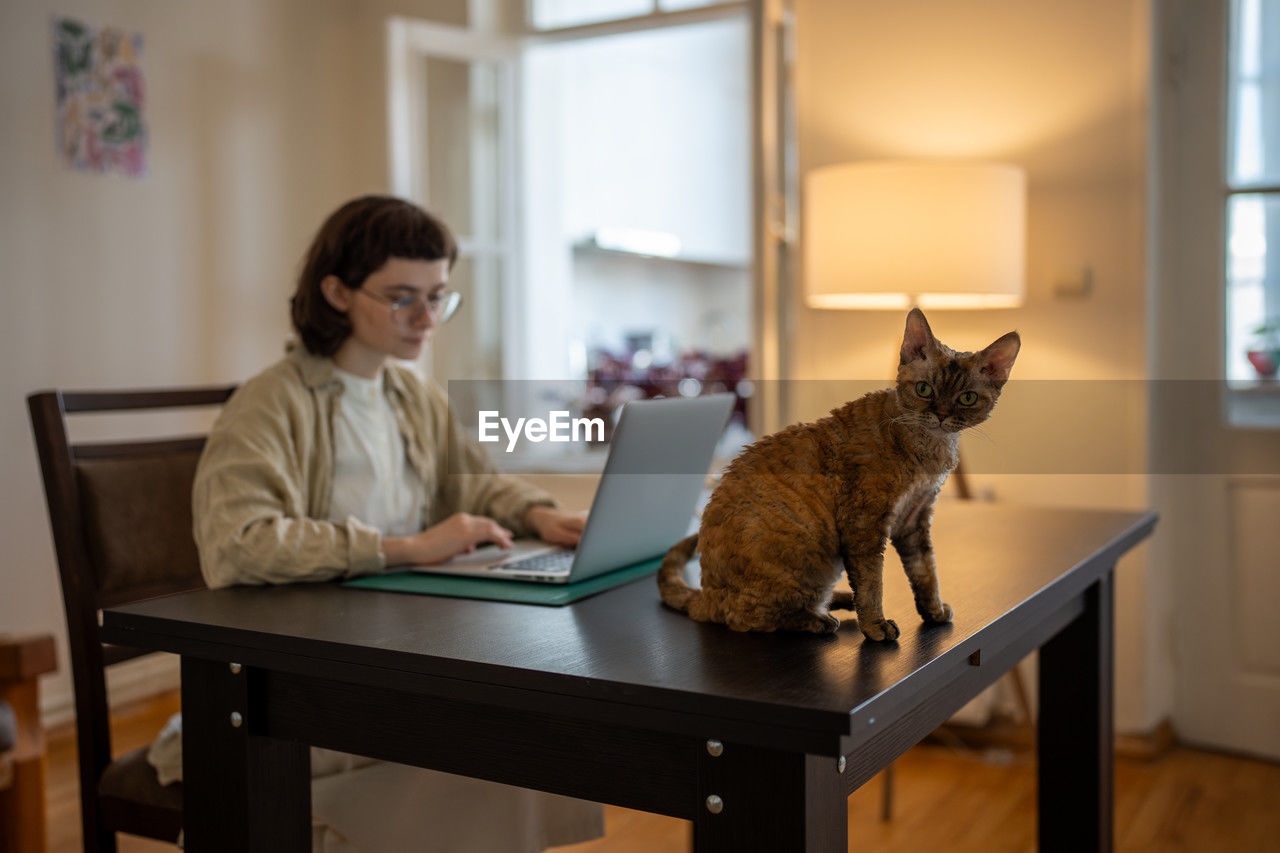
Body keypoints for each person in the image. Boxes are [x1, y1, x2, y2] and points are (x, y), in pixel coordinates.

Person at [154, 195, 605, 852]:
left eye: (438, 296)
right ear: (336, 291)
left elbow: (473, 476)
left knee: (522, 731)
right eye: (402, 298)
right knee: (500, 752)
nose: (426, 319)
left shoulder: (407, 395)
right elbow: (236, 545)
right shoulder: (270, 402)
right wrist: (408, 547)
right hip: (295, 678)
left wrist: (540, 514)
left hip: (390, 656)